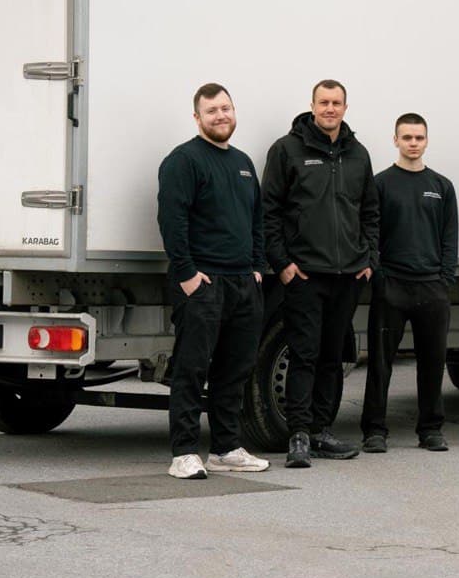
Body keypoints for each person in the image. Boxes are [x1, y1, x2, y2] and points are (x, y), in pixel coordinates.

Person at [262, 79, 379, 467]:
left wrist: (369, 259)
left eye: (336, 103)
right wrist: (282, 264)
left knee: (332, 357)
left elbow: (370, 211)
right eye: (324, 102)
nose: (330, 109)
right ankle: (298, 435)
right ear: (312, 106)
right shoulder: (287, 150)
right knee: (304, 354)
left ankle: (320, 431)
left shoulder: (358, 154)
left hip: (348, 276)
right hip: (305, 275)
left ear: (345, 107)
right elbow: (269, 211)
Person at [156, 82, 270, 479]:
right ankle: (184, 453)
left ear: (233, 111)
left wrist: (257, 267)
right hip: (203, 283)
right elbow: (172, 220)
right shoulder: (183, 161)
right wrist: (187, 274)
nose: (220, 116)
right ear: (197, 117)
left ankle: (226, 448)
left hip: (243, 283)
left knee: (234, 371)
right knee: (191, 369)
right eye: (211, 111)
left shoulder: (243, 162)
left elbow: (257, 219)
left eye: (225, 108)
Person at [359, 113, 456, 453]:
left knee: (432, 363)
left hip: (432, 287)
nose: (413, 143)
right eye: (407, 137)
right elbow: (370, 231)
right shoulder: (381, 184)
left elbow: (449, 237)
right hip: (392, 286)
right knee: (380, 363)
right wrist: (379, 274)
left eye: (419, 137)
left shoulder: (441, 186)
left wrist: (445, 279)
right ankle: (374, 430)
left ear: (426, 141)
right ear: (395, 140)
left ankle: (430, 429)